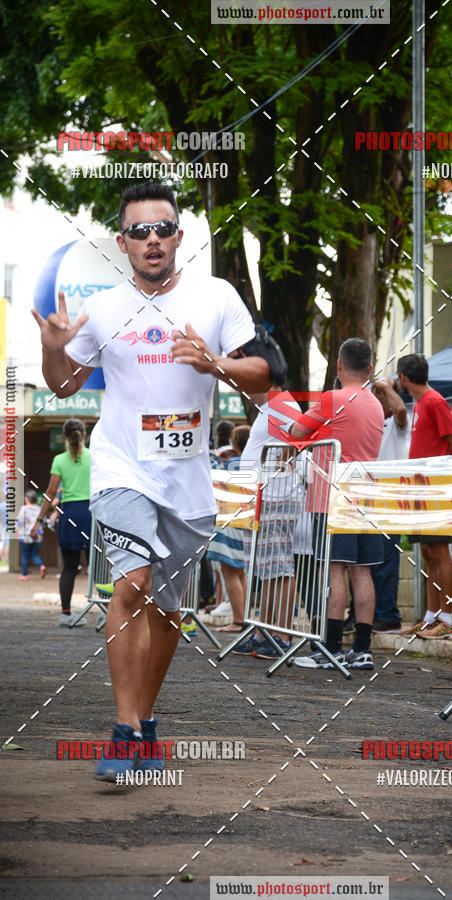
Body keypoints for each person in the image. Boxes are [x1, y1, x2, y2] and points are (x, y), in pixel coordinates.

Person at [31, 181, 271, 781]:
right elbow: (62, 384)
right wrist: (52, 348)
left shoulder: (215, 296)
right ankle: (123, 730)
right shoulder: (105, 308)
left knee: (166, 610)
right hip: (122, 467)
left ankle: (145, 720)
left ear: (179, 237)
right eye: (140, 231)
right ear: (123, 242)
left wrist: (215, 362)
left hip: (187, 478)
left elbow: (263, 374)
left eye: (162, 228)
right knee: (130, 585)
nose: (152, 239)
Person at [292, 338, 385, 670]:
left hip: (332, 495)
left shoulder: (332, 399)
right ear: (370, 369)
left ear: (339, 366)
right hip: (366, 495)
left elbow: (296, 430)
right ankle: (361, 649)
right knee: (363, 572)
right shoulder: (375, 403)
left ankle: (329, 648)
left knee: (333, 570)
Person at [396, 354, 452, 640]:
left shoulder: (435, 401)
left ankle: (446, 618)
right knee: (427, 552)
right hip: (420, 491)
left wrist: (442, 478)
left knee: (439, 551)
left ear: (403, 377)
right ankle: (431, 617)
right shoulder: (423, 403)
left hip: (434, 490)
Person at [233, 388, 302, 660]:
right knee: (267, 569)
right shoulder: (270, 407)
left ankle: (281, 635)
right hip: (265, 498)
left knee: (280, 567)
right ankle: (265, 630)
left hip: (277, 497)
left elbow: (299, 435)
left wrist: (279, 469)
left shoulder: (281, 402)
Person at [34, 418, 91, 626]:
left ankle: (66, 614)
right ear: (84, 435)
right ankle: (106, 611)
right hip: (91, 513)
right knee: (98, 566)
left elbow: (50, 493)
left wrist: (38, 520)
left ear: (65, 437)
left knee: (69, 567)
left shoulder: (59, 460)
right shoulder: (95, 457)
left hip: (70, 514)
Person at [370, 376, 411, 633]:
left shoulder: (398, 423)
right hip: (367, 495)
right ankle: (368, 613)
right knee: (365, 561)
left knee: (386, 559)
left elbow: (401, 410)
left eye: (381, 394)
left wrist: (385, 386)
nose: (378, 398)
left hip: (390, 497)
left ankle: (388, 615)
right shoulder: (370, 421)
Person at [206, 425, 251, 634]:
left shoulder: (232, 464)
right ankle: (243, 617)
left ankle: (239, 620)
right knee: (240, 572)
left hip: (229, 521)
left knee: (229, 571)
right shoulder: (253, 463)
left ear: (235, 444)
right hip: (246, 522)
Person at [16, 489, 46, 581]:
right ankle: (41, 565)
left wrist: (17, 531)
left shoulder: (24, 509)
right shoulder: (40, 508)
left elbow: (19, 521)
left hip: (25, 536)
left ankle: (25, 575)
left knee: (25, 555)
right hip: (37, 535)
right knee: (34, 554)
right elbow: (43, 522)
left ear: (27, 498)